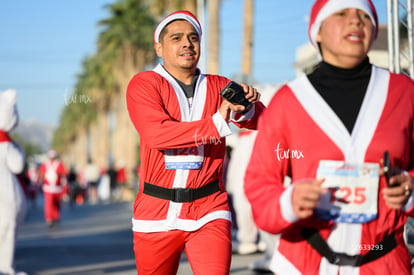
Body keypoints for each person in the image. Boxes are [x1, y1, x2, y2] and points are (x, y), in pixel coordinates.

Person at [244, 0, 414, 274]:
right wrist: (289, 201)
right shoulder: (289, 102)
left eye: (365, 16)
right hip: (304, 261)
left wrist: (410, 191)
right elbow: (260, 181)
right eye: (342, 13)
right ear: (317, 31)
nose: (356, 21)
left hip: (383, 259)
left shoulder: (404, 93)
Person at [126, 10, 265, 274]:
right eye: (176, 38)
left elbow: (265, 121)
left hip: (209, 209)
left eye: (193, 38)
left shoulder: (220, 85)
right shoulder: (143, 84)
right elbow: (158, 134)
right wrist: (217, 122)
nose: (187, 44)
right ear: (159, 47)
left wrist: (247, 107)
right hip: (155, 213)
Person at [0, 89, 27, 275]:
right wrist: (20, 150)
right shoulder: (6, 143)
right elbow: (17, 166)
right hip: (6, 195)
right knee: (7, 231)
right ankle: (6, 269)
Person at [38, 150, 67, 227]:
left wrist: (59, 177)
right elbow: (41, 174)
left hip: (57, 188)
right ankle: (49, 218)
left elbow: (63, 174)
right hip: (48, 188)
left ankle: (55, 216)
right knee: (49, 204)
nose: (52, 159)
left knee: (56, 203)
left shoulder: (59, 164)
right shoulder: (45, 165)